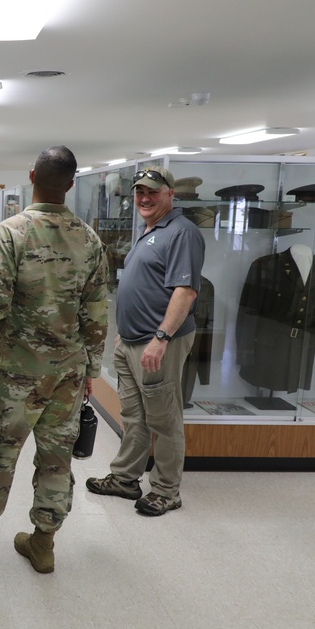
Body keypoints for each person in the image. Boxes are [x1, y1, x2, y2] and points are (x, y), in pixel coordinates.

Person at [0, 145, 109, 575]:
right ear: (70, 183)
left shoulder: (10, 233)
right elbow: (98, 317)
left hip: (18, 374)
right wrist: (91, 372)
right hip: (68, 374)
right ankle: (43, 544)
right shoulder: (90, 239)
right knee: (55, 460)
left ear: (31, 176)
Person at [86, 166, 205, 516]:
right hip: (132, 340)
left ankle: (167, 491)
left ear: (170, 193)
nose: (144, 198)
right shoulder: (151, 229)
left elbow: (185, 291)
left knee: (164, 419)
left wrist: (160, 337)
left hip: (157, 345)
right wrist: (130, 328)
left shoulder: (182, 232)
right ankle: (125, 478)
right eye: (140, 192)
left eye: (153, 191)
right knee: (134, 416)